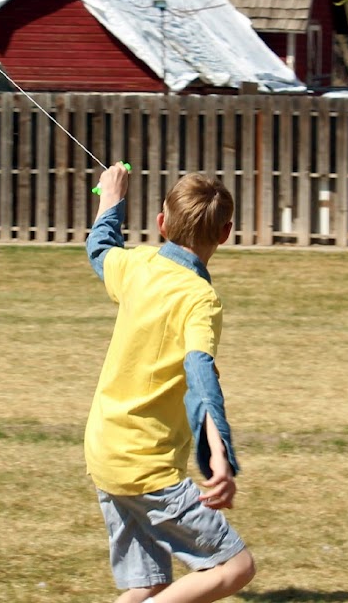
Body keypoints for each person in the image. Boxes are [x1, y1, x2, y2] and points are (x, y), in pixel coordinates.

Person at [83, 163, 256, 603]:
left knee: (149, 583)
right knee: (236, 567)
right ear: (225, 233)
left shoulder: (137, 264)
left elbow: (100, 248)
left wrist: (112, 197)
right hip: (146, 464)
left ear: (161, 224)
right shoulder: (201, 298)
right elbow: (201, 376)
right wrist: (219, 456)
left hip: (105, 449)